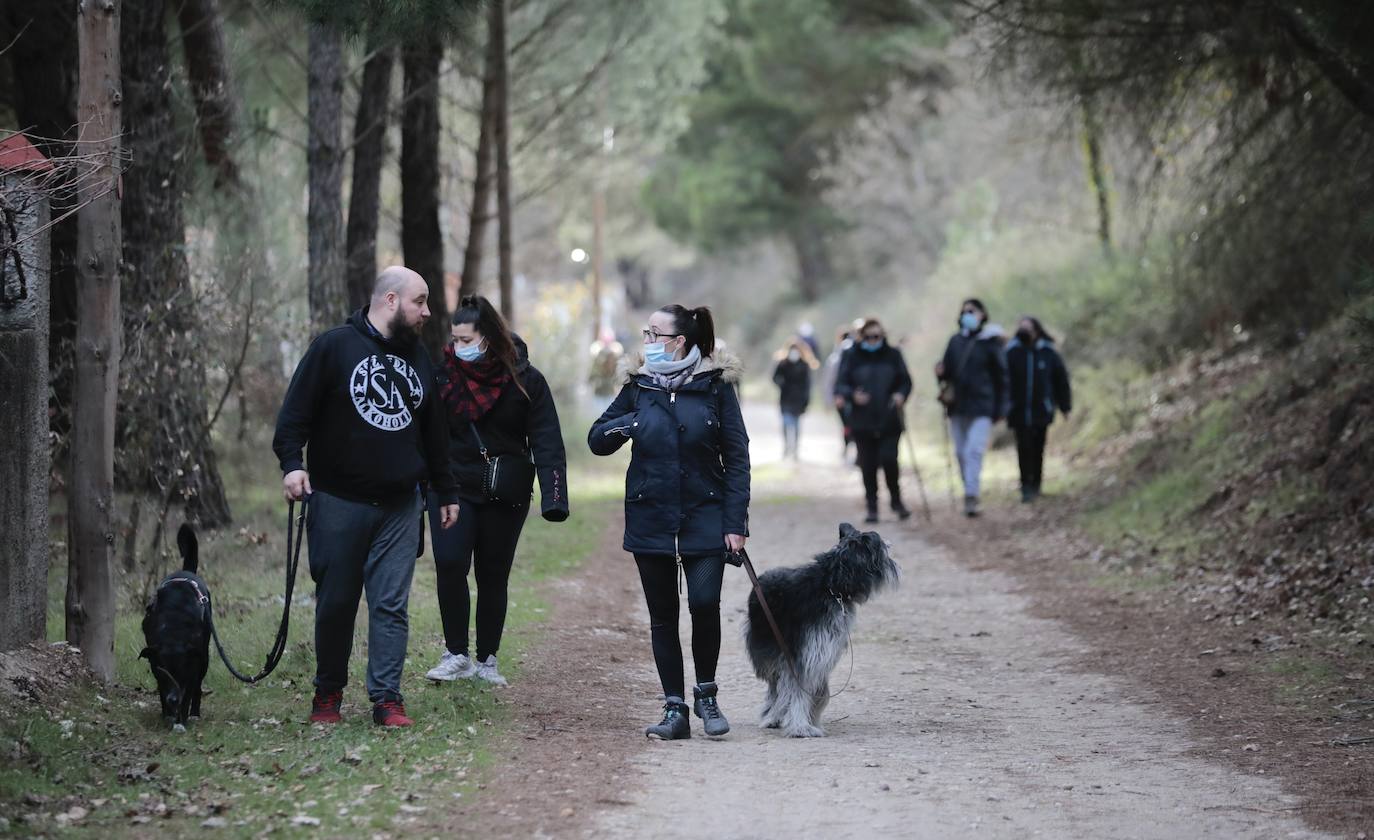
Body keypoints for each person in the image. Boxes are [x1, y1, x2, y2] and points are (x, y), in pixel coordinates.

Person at [273, 266, 460, 728]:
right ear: (391, 300)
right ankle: (328, 693)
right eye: (420, 301)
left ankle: (386, 699)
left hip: (400, 505)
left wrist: (445, 489)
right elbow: (294, 414)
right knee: (336, 602)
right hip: (338, 500)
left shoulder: (418, 358)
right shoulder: (334, 347)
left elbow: (435, 432)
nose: (427, 312)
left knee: (390, 606)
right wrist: (293, 465)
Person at [588, 304, 750, 740]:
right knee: (663, 616)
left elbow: (737, 458)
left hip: (706, 515)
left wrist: (735, 522)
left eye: (654, 333)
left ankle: (707, 695)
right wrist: (631, 422)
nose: (647, 340)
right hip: (651, 515)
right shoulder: (637, 387)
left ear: (679, 341)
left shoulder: (715, 388)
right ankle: (674, 708)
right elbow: (597, 440)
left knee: (703, 604)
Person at [423, 295, 569, 687]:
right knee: (451, 563)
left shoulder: (526, 379)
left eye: (466, 339)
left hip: (505, 492)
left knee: (493, 575)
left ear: (488, 337)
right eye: (454, 339)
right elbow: (426, 435)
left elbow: (547, 440)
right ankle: (456, 654)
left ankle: (487, 659)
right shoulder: (442, 376)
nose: (457, 348)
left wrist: (555, 498)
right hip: (451, 488)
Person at [833, 318, 913, 524]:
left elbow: (905, 381)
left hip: (889, 420)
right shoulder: (851, 356)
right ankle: (872, 506)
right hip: (862, 422)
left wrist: (900, 395)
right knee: (867, 466)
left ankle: (896, 501)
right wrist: (852, 396)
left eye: (876, 336)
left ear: (883, 335)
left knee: (889, 460)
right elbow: (841, 385)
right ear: (861, 337)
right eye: (868, 337)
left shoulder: (893, 355)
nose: (872, 340)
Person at [935, 298, 1009, 518]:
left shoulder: (990, 342)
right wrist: (940, 373)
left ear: (982, 314)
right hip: (957, 407)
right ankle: (969, 489)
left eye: (972, 311)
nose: (968, 314)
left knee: (973, 451)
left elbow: (1001, 377)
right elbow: (947, 373)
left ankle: (971, 495)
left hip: (983, 405)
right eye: (965, 311)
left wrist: (1001, 408)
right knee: (960, 452)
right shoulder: (955, 341)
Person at [1006, 316, 1072, 503]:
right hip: (1018, 411)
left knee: (1037, 448)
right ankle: (1025, 486)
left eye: (1028, 327)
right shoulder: (1011, 352)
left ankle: (1036, 484)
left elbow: (1061, 381)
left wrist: (1065, 406)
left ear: (1036, 330)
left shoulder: (1048, 353)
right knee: (1023, 447)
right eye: (1021, 327)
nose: (1025, 331)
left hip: (1041, 410)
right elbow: (1003, 382)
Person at [771, 339, 818, 460]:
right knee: (786, 423)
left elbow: (808, 385)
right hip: (785, 398)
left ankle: (795, 449)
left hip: (799, 400)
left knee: (796, 425)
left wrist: (806, 401)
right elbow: (775, 377)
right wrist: (782, 383)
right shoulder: (782, 363)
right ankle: (787, 446)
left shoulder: (804, 365)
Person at [821, 325, 855, 462]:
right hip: (842, 398)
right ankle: (847, 447)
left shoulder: (838, 357)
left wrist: (829, 400)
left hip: (848, 397)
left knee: (850, 425)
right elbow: (829, 381)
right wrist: (831, 399)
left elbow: (827, 382)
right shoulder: (836, 358)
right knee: (847, 425)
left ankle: (850, 448)